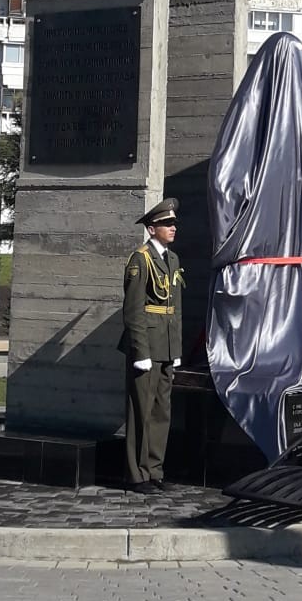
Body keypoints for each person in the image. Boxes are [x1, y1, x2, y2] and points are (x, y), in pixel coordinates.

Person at [118, 197, 184, 494]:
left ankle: (155, 469)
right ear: (151, 228)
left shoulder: (172, 259)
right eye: (166, 223)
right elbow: (133, 311)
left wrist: (176, 350)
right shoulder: (140, 259)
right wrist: (140, 352)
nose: (172, 227)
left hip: (166, 346)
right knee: (140, 412)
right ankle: (136, 474)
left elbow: (175, 308)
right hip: (147, 346)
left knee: (161, 412)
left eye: (173, 223)